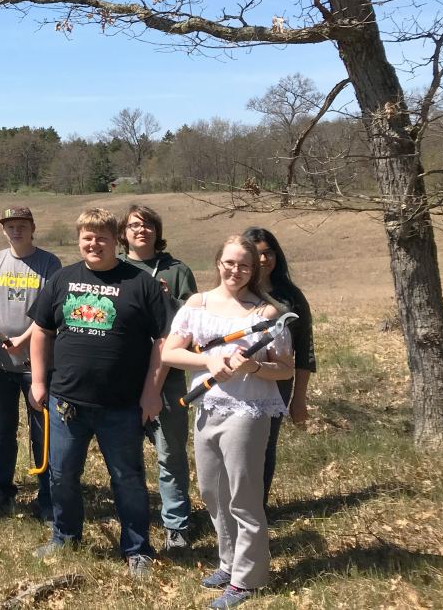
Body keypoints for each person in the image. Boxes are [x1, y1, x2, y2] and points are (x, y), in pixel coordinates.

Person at [28, 208, 166, 580]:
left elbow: (163, 341)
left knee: (127, 478)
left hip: (121, 406)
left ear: (116, 241)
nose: (94, 243)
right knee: (61, 476)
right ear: (79, 240)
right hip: (66, 403)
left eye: (102, 237)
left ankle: (137, 548)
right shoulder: (62, 280)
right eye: (87, 237)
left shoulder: (140, 283)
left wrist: (152, 393)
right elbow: (42, 330)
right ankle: (65, 535)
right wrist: (38, 381)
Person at [161, 236, 294, 609]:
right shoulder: (197, 304)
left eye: (244, 265)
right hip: (207, 407)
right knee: (212, 491)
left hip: (248, 412)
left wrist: (252, 365)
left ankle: (248, 579)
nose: (235, 271)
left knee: (243, 495)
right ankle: (229, 562)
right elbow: (171, 352)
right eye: (229, 262)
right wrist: (207, 362)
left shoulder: (265, 314)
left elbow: (284, 370)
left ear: (255, 269)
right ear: (218, 261)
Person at [0, 206, 61, 521]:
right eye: (10, 226)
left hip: (36, 367)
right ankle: (3, 494)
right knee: (3, 432)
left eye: (22, 225)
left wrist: (23, 340)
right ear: (3, 230)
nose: (16, 231)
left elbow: (47, 314)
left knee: (42, 434)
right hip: (0, 366)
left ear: (32, 227)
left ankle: (48, 497)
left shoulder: (49, 263)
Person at [119, 204, 198, 550]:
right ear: (123, 233)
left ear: (157, 231)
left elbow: (197, 318)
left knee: (170, 452)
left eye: (148, 225)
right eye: (134, 225)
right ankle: (134, 517)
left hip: (169, 378)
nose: (142, 230)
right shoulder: (117, 269)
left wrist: (169, 302)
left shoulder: (177, 270)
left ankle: (176, 525)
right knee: (126, 454)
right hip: (125, 372)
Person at [242, 226, 317, 506]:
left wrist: (299, 399)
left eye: (269, 253)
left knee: (264, 445)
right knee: (237, 445)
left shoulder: (291, 298)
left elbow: (305, 351)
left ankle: (256, 507)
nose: (263, 260)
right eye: (257, 254)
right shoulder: (235, 291)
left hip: (277, 383)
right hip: (238, 380)